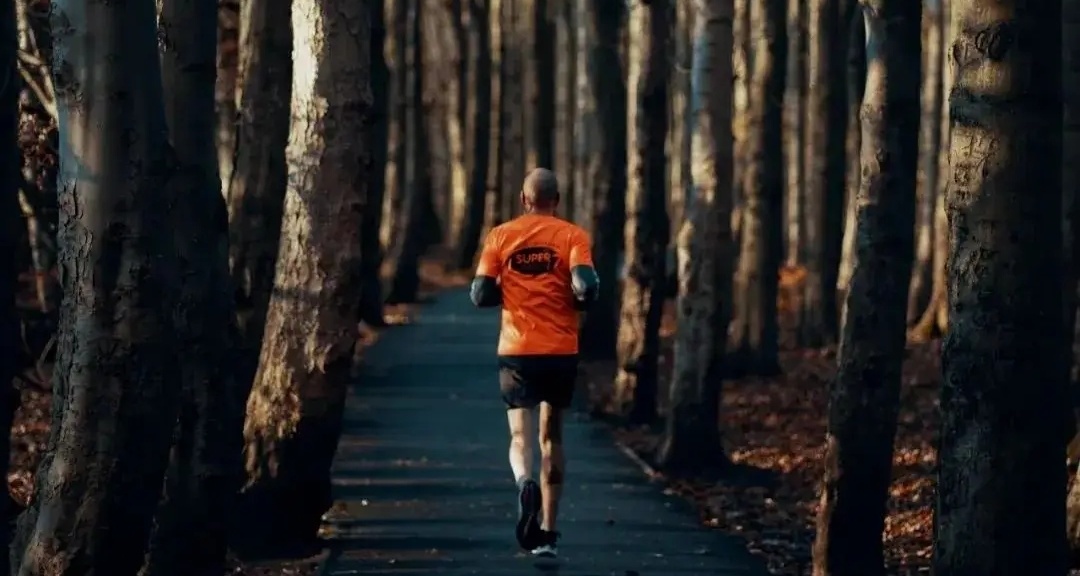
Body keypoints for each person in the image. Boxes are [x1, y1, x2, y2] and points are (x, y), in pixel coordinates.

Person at [469, 168, 599, 558]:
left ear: (524, 200)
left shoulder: (500, 236)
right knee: (552, 438)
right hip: (560, 350)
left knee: (520, 437)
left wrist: (509, 295)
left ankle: (523, 481)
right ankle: (547, 531)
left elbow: (479, 293)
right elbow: (587, 285)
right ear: (556, 199)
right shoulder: (573, 236)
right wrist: (577, 299)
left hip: (516, 348)